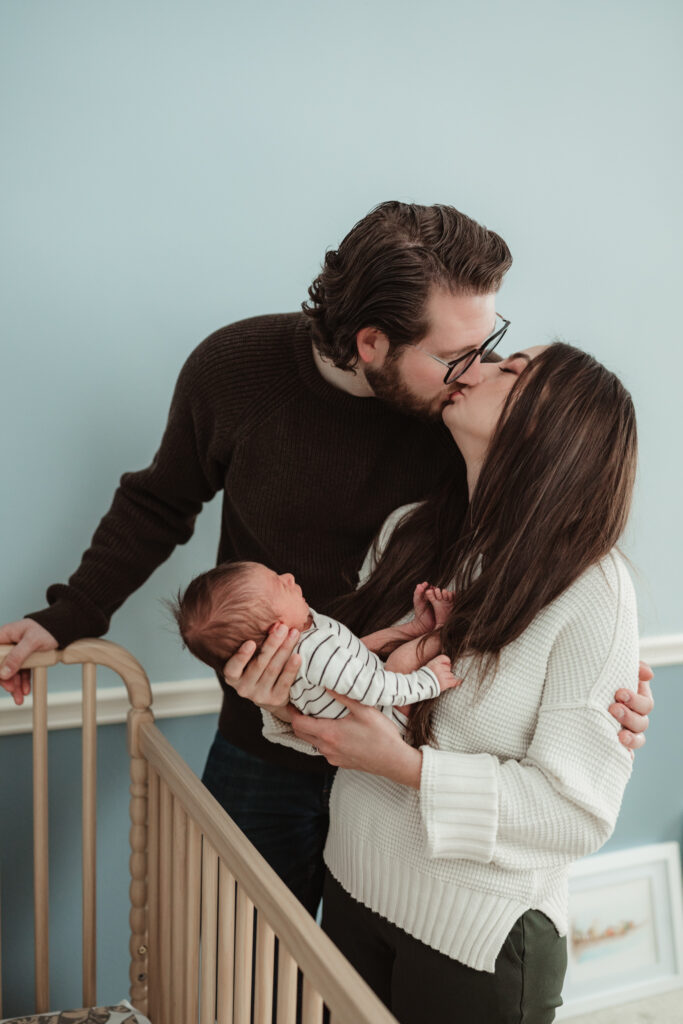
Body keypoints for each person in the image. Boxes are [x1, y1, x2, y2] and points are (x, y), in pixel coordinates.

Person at [0, 202, 653, 919]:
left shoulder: (469, 410)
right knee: (232, 956)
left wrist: (595, 700)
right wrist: (66, 617)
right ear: (370, 343)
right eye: (451, 356)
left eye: (489, 341)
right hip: (261, 739)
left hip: (399, 772)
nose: (480, 370)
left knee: (347, 980)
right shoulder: (234, 373)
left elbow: (526, 551)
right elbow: (158, 503)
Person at [260, 342, 640, 1023]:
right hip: (351, 887)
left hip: (477, 941)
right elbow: (358, 709)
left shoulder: (592, 589)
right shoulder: (409, 533)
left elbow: (574, 814)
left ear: (560, 429)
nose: (474, 367)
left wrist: (406, 768)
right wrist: (281, 701)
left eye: (512, 370)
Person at [170, 559, 458, 725]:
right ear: (277, 629)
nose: (289, 576)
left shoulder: (308, 630)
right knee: (400, 663)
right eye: (280, 585)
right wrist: (428, 681)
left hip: (371, 690)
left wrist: (409, 630)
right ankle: (443, 631)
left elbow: (356, 649)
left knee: (361, 646)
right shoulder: (312, 652)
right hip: (388, 719)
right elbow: (375, 687)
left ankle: (420, 628)